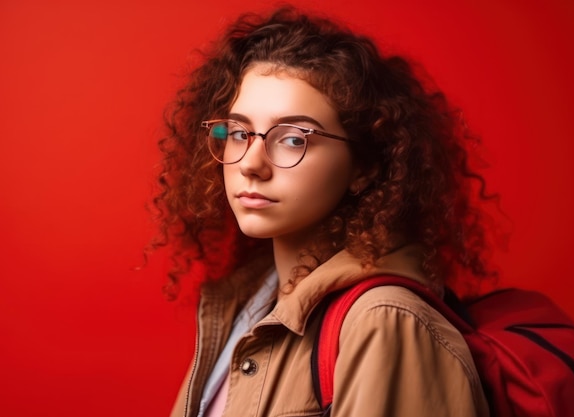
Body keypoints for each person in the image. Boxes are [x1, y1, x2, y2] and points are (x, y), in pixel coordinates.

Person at [152, 6, 497, 417]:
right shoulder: (248, 305)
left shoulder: (384, 324)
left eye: (294, 139)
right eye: (240, 132)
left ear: (364, 167)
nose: (250, 164)